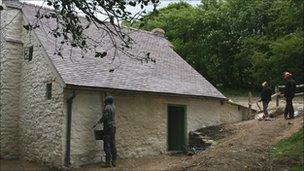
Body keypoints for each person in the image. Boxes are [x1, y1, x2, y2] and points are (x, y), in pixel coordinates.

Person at [99, 96, 117, 167]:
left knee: (107, 144)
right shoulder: (113, 107)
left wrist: (100, 121)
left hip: (108, 128)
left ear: (107, 101)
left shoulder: (107, 107)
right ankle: (114, 161)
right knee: (113, 144)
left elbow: (105, 117)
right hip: (113, 127)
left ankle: (108, 163)